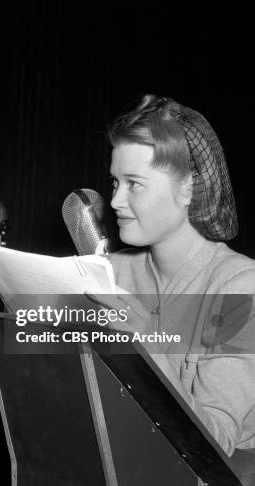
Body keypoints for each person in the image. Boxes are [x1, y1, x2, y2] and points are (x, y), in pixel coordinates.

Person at [88, 94, 255, 458]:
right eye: (115, 183)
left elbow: (217, 442)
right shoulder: (111, 273)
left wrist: (147, 342)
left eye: (134, 183)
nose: (114, 201)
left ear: (188, 188)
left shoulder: (238, 287)